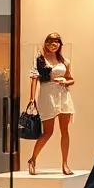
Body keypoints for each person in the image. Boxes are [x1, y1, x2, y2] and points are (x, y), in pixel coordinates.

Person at [27, 32, 76, 176]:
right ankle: (33, 159)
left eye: (56, 42)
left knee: (64, 131)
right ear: (46, 43)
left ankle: (65, 163)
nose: (53, 45)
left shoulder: (64, 61)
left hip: (63, 95)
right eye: (50, 42)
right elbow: (34, 78)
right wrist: (32, 98)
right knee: (48, 132)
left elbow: (71, 79)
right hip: (47, 95)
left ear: (60, 44)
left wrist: (65, 81)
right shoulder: (40, 60)